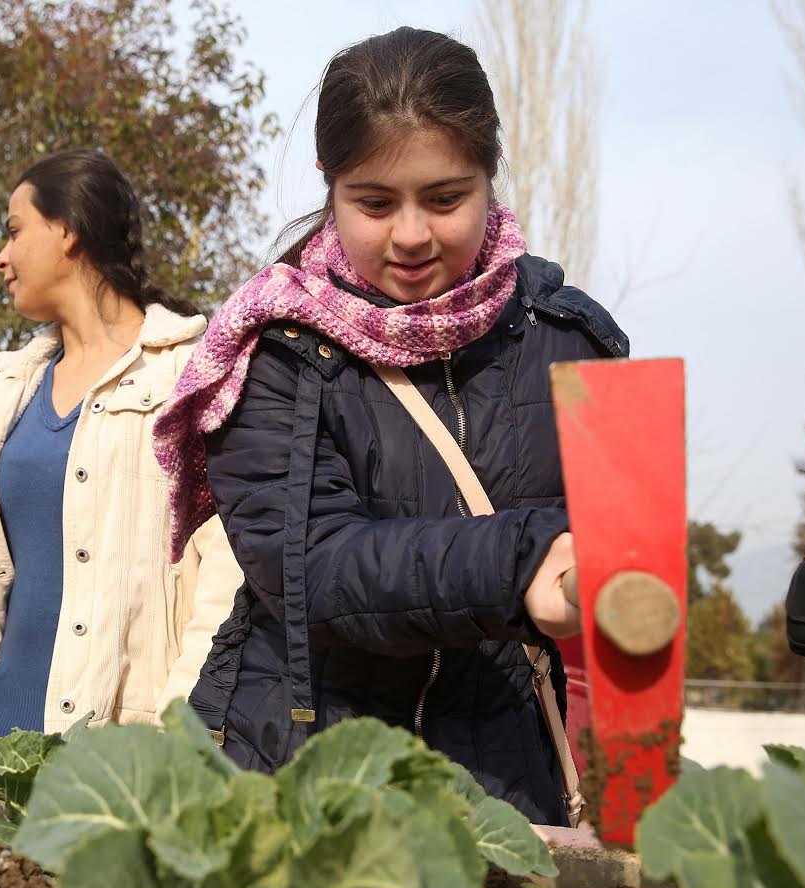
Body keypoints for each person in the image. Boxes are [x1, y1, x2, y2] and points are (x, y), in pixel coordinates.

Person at [153, 28, 629, 824]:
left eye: (446, 198)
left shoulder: (572, 346)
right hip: (291, 774)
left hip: (500, 788)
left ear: (491, 177)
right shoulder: (272, 348)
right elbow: (315, 569)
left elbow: (619, 574)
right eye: (375, 202)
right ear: (329, 185)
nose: (411, 234)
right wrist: (524, 564)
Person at [0, 149, 242, 739]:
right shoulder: (10, 390)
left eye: (14, 231)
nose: (1, 257)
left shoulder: (191, 375)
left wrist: (176, 737)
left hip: (121, 759)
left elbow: (225, 577)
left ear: (67, 230)